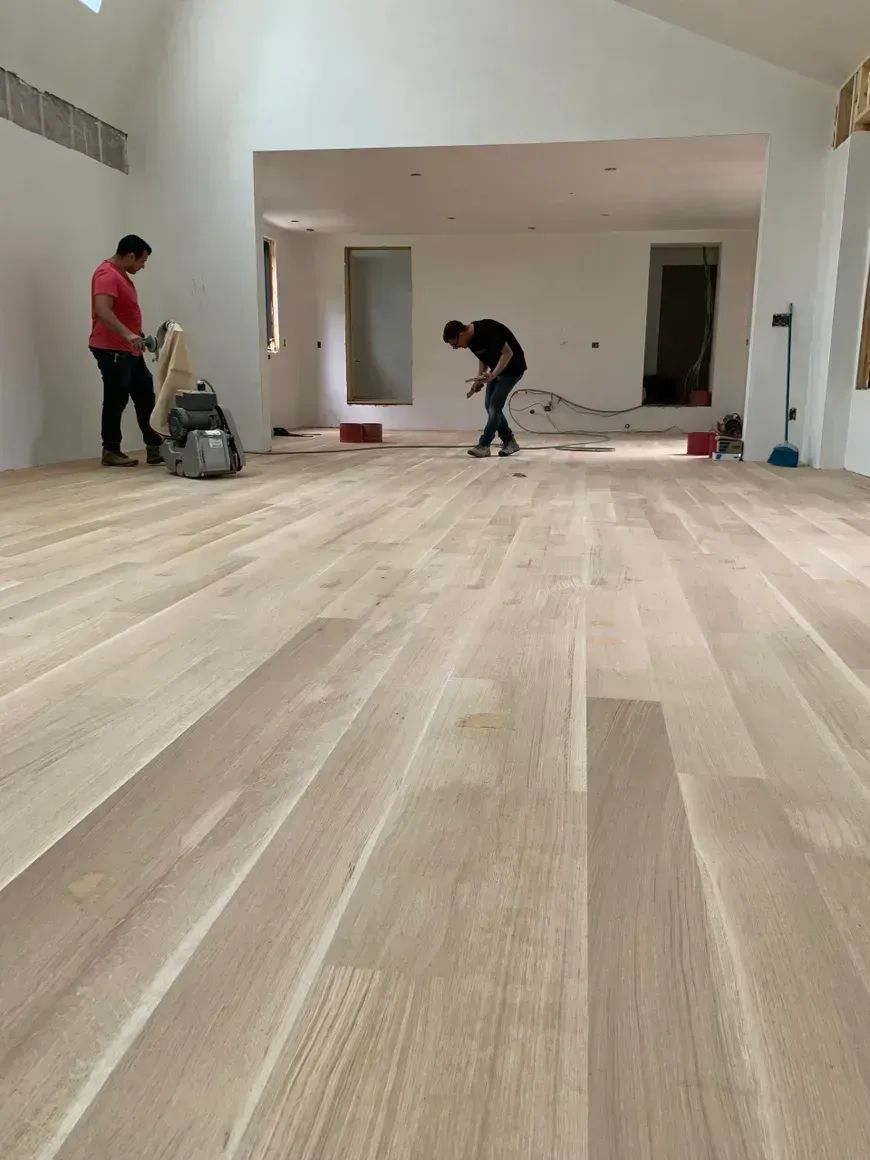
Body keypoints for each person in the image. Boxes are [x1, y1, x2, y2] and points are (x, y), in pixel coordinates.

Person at [90, 235, 162, 467]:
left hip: (128, 349)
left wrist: (135, 335)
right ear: (131, 256)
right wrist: (128, 334)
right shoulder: (107, 275)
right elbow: (102, 309)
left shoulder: (120, 276)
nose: (143, 266)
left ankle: (156, 448)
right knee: (116, 399)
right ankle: (111, 450)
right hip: (111, 349)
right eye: (142, 261)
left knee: (145, 396)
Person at [443, 318, 526, 458]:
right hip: (497, 369)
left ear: (461, 334)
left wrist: (493, 375)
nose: (456, 348)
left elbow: (508, 353)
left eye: (455, 344)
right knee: (490, 406)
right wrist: (480, 378)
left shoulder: (487, 330)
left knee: (494, 406)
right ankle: (509, 441)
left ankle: (484, 445)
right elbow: (483, 357)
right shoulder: (469, 340)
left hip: (513, 369)